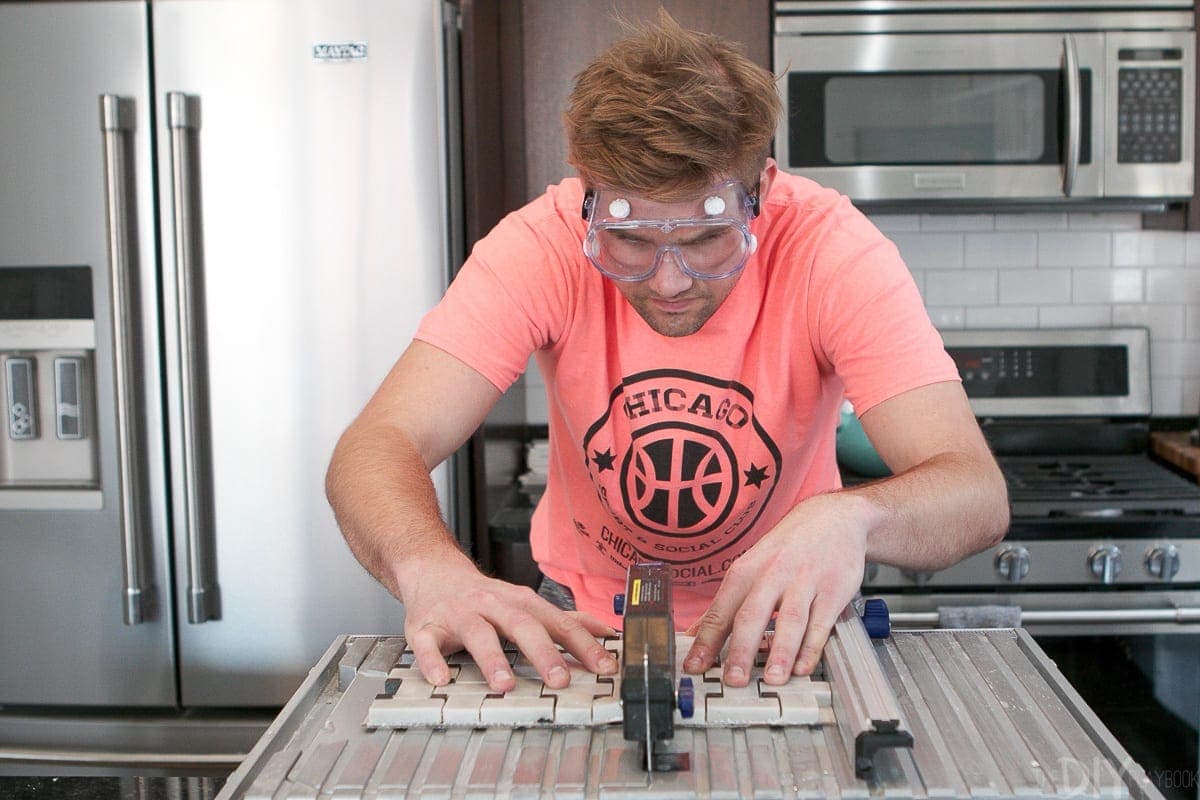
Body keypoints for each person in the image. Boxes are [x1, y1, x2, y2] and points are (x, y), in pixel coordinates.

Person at [325, 11, 1009, 696]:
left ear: (761, 191)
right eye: (633, 240)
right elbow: (377, 444)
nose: (669, 280)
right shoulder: (538, 245)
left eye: (708, 238)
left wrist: (853, 516)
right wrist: (429, 568)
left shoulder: (833, 252)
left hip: (782, 621)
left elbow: (975, 494)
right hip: (582, 622)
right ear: (587, 192)